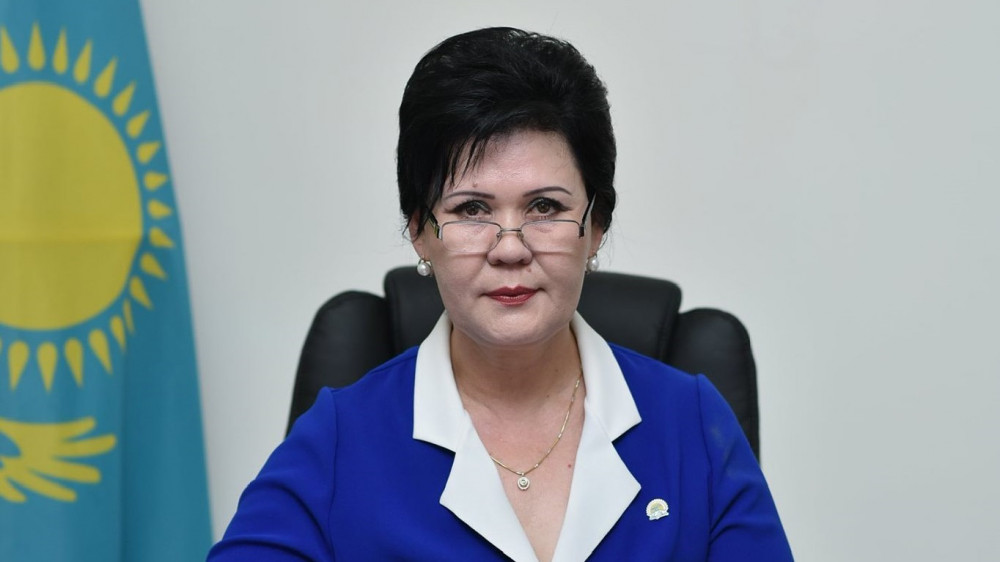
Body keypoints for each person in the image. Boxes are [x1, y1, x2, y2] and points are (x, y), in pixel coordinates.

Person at [209, 27, 793, 561]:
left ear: (595, 226)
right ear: (420, 231)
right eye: (471, 209)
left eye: (545, 207)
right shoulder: (338, 440)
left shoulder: (692, 423)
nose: (510, 248)